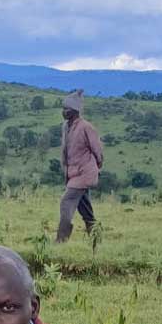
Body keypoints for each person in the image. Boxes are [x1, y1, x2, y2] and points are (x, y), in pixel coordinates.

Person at [55, 90, 104, 243]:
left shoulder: (86, 127)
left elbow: (97, 150)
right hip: (73, 173)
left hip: (83, 174)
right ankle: (95, 239)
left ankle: (61, 240)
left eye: (66, 109)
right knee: (86, 210)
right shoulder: (66, 127)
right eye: (63, 109)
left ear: (74, 111)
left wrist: (95, 167)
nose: (64, 112)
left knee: (66, 202)